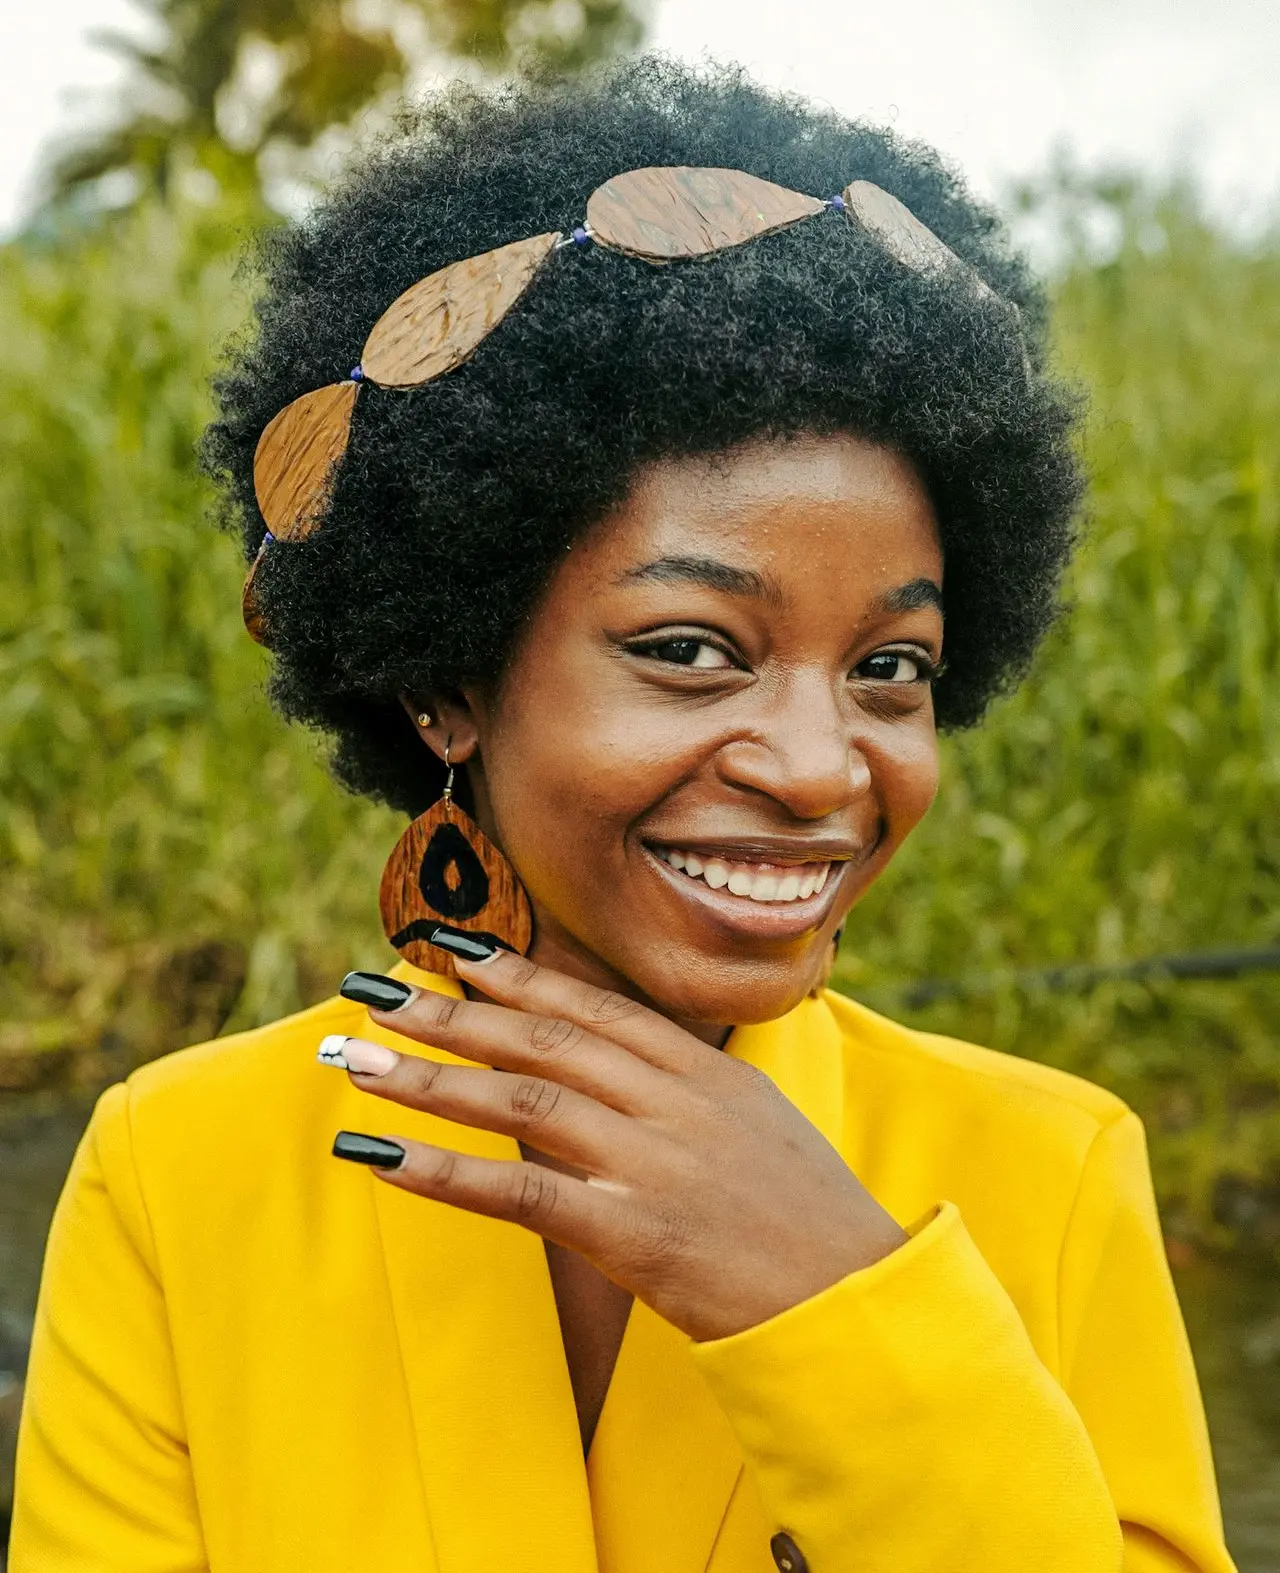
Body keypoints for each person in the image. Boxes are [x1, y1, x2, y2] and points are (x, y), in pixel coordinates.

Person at [11, 57, 1236, 1573]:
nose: (817, 765)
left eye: (890, 668)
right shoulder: (184, 1178)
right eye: (688, 651)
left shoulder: (1048, 1175)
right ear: (446, 682)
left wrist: (830, 1304)